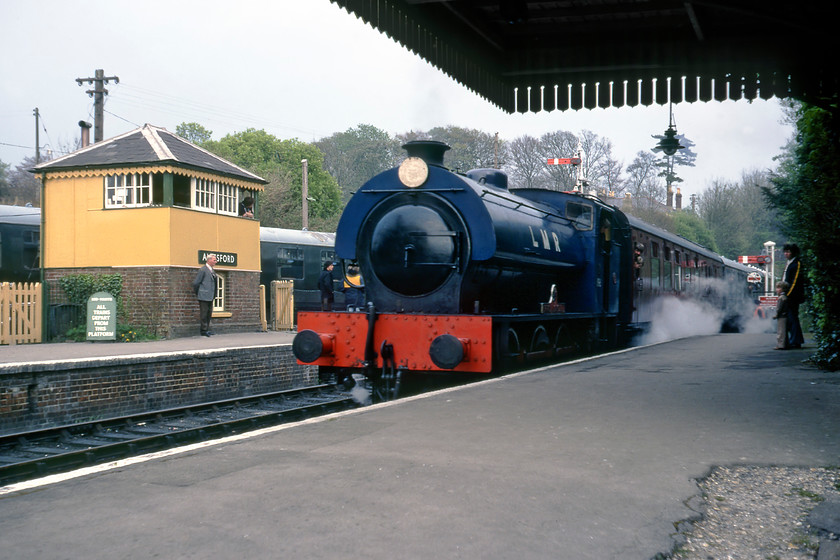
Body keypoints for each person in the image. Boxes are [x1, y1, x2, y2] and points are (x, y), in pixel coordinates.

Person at [782, 243, 805, 348]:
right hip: (788, 295)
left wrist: (787, 294)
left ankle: (795, 340)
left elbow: (794, 282)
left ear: (793, 253)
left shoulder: (796, 264)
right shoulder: (790, 263)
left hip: (793, 296)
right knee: (791, 318)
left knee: (793, 318)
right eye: (785, 252)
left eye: (788, 252)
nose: (786, 254)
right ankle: (795, 339)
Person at [192, 254, 217, 337]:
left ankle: (207, 329)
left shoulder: (212, 270)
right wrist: (199, 293)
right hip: (203, 296)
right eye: (214, 260)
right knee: (204, 313)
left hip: (210, 295)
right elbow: (196, 283)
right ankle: (203, 330)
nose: (215, 262)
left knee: (209, 313)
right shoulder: (203, 270)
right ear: (209, 260)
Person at [773, 281, 789, 350]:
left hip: (782, 316)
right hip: (785, 315)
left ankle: (781, 345)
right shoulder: (785, 297)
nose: (777, 290)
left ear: (783, 289)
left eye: (778, 288)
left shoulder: (781, 298)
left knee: (781, 331)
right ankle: (785, 344)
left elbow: (779, 308)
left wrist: (776, 315)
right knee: (784, 331)